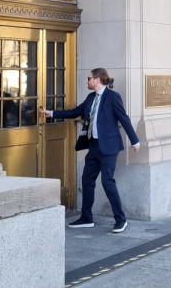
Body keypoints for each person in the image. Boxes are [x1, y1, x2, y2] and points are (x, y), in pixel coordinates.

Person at [41, 68, 140, 233]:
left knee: (107, 182)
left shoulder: (112, 97)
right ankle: (86, 218)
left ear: (97, 80)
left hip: (109, 147)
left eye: (89, 78)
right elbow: (75, 112)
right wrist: (51, 113)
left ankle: (120, 219)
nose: (87, 81)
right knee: (87, 180)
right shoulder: (90, 97)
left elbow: (124, 118)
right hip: (94, 146)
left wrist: (134, 140)